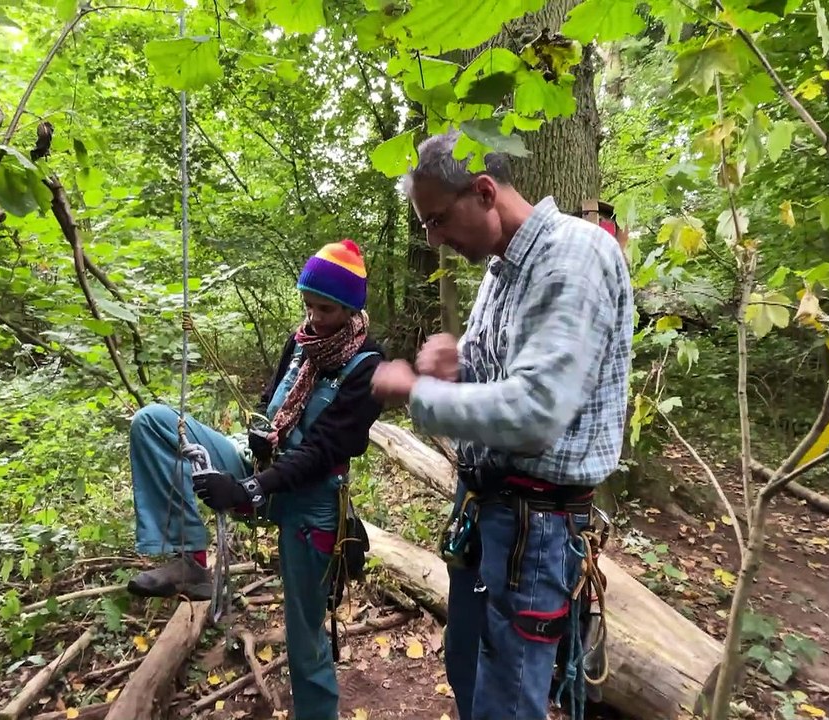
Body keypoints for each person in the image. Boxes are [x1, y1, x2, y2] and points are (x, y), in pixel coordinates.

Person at [370, 131, 634, 720]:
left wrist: (420, 393)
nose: (434, 238)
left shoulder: (575, 256)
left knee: (507, 698)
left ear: (485, 191)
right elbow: (500, 376)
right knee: (468, 666)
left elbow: (535, 412)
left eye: (438, 220)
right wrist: (456, 366)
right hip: (488, 512)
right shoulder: (500, 270)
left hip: (538, 528)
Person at [125, 239, 385, 720]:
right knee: (154, 422)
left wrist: (246, 489)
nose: (314, 317)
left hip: (312, 503)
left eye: (325, 308)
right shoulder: (302, 341)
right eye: (308, 304)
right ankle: (190, 560)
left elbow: (322, 450)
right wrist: (261, 438)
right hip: (261, 470)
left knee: (305, 638)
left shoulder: (369, 366)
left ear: (350, 309)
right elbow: (273, 400)